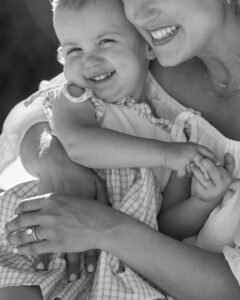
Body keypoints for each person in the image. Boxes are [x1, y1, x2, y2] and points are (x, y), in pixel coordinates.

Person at [2, 0, 240, 299]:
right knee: (23, 275)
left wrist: (204, 202)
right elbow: (50, 124)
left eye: (105, 42)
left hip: (121, 274)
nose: (139, 14)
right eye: (73, 50)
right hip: (51, 233)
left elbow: (167, 228)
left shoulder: (176, 134)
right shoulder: (106, 87)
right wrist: (53, 157)